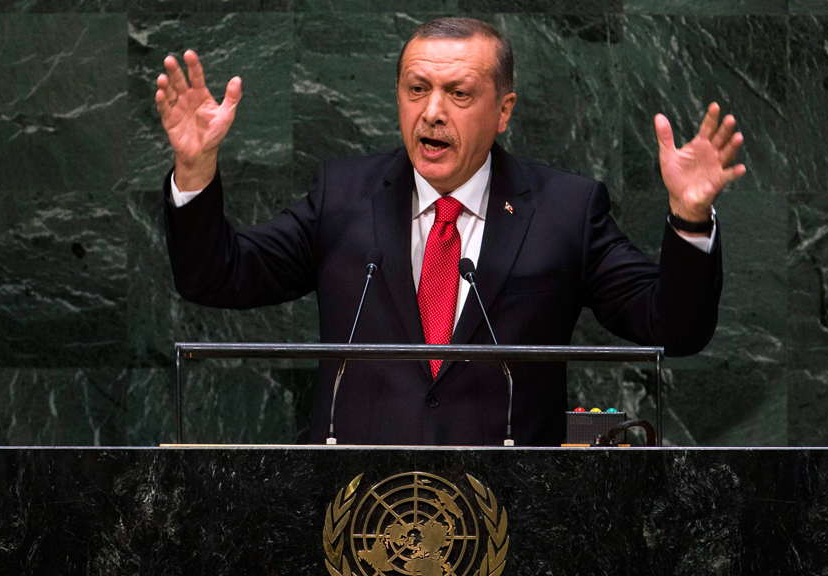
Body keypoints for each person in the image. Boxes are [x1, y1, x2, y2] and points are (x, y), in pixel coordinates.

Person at [155, 18, 745, 446]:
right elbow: (216, 275)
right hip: (359, 517)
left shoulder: (566, 210)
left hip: (512, 523)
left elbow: (675, 327)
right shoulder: (345, 198)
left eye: (458, 93)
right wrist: (195, 169)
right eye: (417, 90)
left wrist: (690, 219)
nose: (432, 111)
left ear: (504, 110)